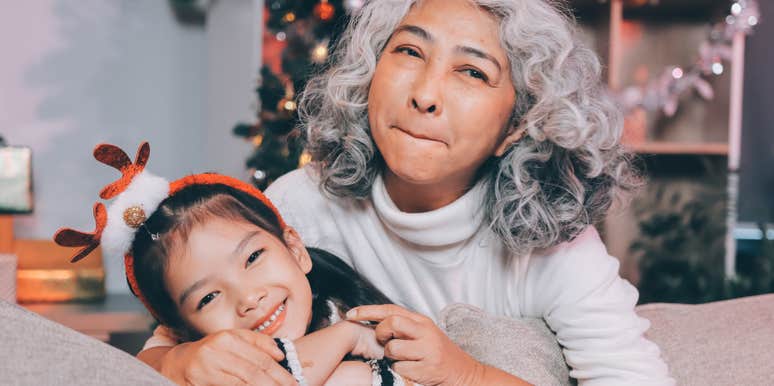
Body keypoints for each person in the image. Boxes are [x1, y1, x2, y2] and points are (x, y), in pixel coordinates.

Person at [142, 0, 675, 384]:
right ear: (370, 74)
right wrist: (181, 363)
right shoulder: (303, 205)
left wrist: (466, 374)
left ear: (516, 125)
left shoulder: (560, 248)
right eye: (409, 53)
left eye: (471, 71)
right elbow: (158, 348)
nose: (425, 94)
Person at [55, 142, 424, 386]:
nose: (248, 298)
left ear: (295, 249)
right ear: (182, 330)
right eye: (208, 298)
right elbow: (143, 367)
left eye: (252, 258)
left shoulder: (351, 308)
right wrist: (177, 361)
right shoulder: (213, 358)